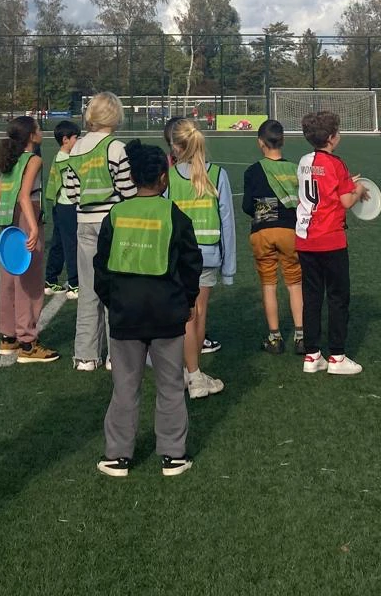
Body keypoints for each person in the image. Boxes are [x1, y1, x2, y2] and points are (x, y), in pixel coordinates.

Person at [92, 140, 200, 478]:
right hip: (167, 313)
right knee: (170, 385)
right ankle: (172, 456)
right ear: (164, 178)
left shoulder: (116, 214)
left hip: (126, 313)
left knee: (125, 385)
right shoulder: (175, 215)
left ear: (132, 177)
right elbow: (190, 264)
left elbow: (101, 270)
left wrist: (114, 301)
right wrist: (188, 301)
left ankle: (118, 456)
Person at [61, 92, 136, 370]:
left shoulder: (77, 148)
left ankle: (84, 355)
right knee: (115, 290)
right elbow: (127, 190)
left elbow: (70, 192)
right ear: (115, 116)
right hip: (112, 225)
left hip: (84, 223)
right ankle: (114, 355)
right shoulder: (116, 147)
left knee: (89, 289)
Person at [165, 118, 236, 397]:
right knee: (199, 313)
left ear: (176, 147)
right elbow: (227, 222)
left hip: (179, 255)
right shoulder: (217, 174)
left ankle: (189, 371)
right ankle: (194, 375)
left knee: (185, 314)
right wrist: (229, 267)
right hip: (207, 254)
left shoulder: (169, 176)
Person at [295, 110, 367, 376]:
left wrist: (347, 185)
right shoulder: (337, 164)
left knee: (311, 297)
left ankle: (312, 354)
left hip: (305, 238)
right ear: (333, 138)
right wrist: (358, 189)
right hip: (330, 238)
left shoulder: (303, 161)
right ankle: (337, 356)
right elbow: (346, 200)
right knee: (337, 297)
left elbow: (318, 184)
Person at [0, 116, 59, 364]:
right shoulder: (34, 159)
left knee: (9, 280)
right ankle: (28, 343)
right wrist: (34, 229)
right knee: (30, 281)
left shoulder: (11, 162)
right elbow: (26, 196)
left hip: (9, 222)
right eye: (38, 129)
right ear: (30, 136)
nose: (41, 132)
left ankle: (8, 338)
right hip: (28, 219)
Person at [242, 119, 304, 355]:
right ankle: (301, 336)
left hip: (263, 232)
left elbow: (248, 205)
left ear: (260, 143)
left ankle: (275, 338)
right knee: (295, 284)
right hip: (291, 230)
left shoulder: (253, 170)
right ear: (283, 141)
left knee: (269, 284)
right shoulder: (295, 169)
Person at [42, 120, 81, 298]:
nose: (78, 141)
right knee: (71, 244)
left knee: (58, 243)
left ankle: (51, 280)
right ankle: (74, 284)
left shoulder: (58, 157)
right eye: (76, 138)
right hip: (68, 205)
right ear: (65, 140)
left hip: (58, 204)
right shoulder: (68, 160)